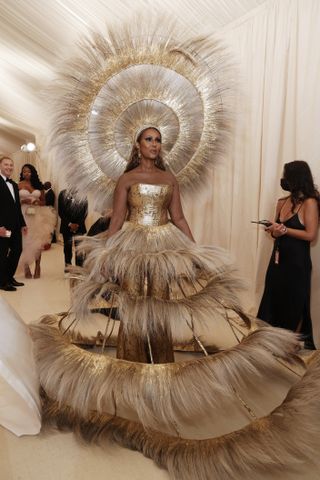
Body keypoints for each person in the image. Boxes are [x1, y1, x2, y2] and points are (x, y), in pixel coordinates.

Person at [257, 160, 320, 349]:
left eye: (286, 176)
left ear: (296, 178)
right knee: (272, 300)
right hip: (277, 262)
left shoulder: (310, 202)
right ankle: (270, 343)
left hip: (297, 265)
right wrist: (274, 230)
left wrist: (285, 230)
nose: (283, 179)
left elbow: (311, 235)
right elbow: (276, 232)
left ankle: (290, 346)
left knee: (295, 304)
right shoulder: (281, 202)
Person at [18, 164, 56, 279]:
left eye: (29, 171)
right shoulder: (18, 185)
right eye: (24, 171)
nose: (26, 173)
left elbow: (44, 202)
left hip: (37, 216)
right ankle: (26, 267)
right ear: (22, 173)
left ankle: (38, 266)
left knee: (38, 243)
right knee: (25, 242)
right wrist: (23, 201)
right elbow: (14, 202)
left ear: (33, 172)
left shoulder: (39, 185)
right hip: (24, 216)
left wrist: (37, 202)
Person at [0, 155, 27, 291]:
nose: (9, 167)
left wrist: (23, 223)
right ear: (0, 166)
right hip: (3, 228)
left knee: (17, 250)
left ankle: (9, 277)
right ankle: (2, 282)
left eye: (11, 165)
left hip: (15, 226)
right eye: (6, 164)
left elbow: (17, 207)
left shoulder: (14, 185)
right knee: (2, 253)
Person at [58, 188, 88, 269]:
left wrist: (77, 224)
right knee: (67, 247)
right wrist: (70, 224)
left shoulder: (83, 193)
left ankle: (79, 268)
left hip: (80, 226)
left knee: (79, 248)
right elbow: (61, 211)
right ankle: (68, 266)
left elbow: (85, 211)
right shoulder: (62, 193)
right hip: (66, 225)